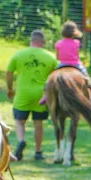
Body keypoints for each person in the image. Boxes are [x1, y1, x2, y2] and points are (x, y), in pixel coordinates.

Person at [6, 30, 57, 161]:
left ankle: (21, 140)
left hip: (23, 93)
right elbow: (55, 76)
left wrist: (9, 88)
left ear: (31, 41)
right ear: (43, 42)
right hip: (41, 94)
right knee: (38, 123)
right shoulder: (50, 57)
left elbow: (9, 72)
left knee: (19, 121)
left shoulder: (19, 54)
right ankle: (38, 151)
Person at [42, 21, 91, 104]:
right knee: (87, 79)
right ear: (74, 33)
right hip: (75, 64)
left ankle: (45, 96)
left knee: (50, 79)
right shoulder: (76, 43)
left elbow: (57, 57)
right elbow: (76, 55)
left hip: (62, 64)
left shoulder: (58, 43)